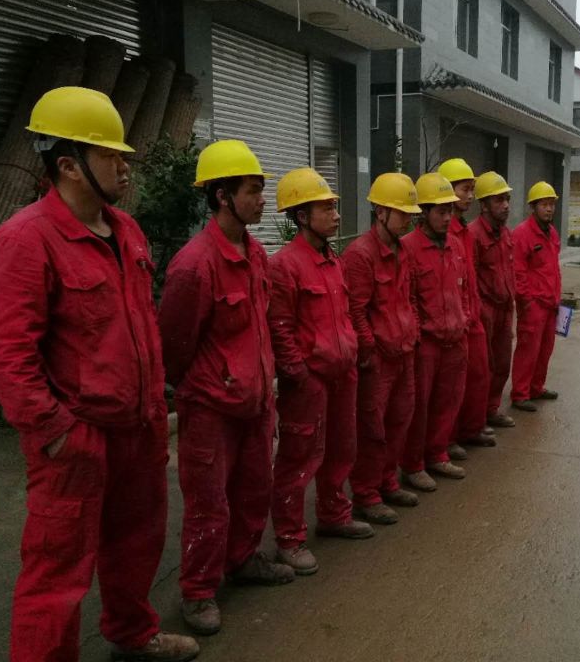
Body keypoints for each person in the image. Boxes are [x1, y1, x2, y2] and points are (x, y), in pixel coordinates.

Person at [0, 86, 198, 661]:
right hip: (78, 438)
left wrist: (155, 408)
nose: (125, 167)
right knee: (56, 573)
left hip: (139, 428)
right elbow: (8, 355)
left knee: (137, 543)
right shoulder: (25, 240)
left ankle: (132, 634)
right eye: (111, 156)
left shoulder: (126, 231)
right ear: (69, 165)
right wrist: (56, 432)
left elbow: (140, 328)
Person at [158, 140, 293, 636]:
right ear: (222, 196)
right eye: (253, 190)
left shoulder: (255, 254)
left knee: (255, 488)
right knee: (208, 503)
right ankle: (197, 592)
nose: (262, 199)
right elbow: (174, 346)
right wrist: (211, 383)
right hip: (211, 408)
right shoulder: (194, 265)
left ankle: (243, 559)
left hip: (254, 401)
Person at [267, 168, 373, 576]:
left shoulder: (333, 261)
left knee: (342, 449)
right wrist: (298, 373)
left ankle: (334, 515)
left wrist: (353, 353)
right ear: (301, 216)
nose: (336, 214)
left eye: (334, 207)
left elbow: (344, 314)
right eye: (326, 208)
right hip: (309, 379)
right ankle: (289, 539)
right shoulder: (285, 266)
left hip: (342, 372)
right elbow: (280, 326)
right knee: (299, 459)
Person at [344, 173, 422, 524]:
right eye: (402, 213)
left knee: (400, 421)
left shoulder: (402, 251)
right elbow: (356, 310)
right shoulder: (360, 255)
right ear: (380, 212)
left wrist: (413, 334)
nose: (408, 220)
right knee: (372, 430)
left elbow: (409, 298)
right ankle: (366, 494)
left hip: (404, 352)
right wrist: (369, 352)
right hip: (379, 360)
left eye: (410, 214)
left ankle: (387, 482)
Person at [400, 172, 470, 491]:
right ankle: (413, 465)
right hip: (426, 343)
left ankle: (437, 454)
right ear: (424, 212)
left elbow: (463, 288)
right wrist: (419, 334)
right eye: (441, 211)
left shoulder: (455, 245)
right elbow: (408, 298)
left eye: (449, 211)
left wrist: (463, 319)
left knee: (447, 401)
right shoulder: (408, 249)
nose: (447, 217)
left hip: (455, 338)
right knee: (420, 408)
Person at [439, 158, 496, 459]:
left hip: (471, 314)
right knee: (451, 387)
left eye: (472, 190)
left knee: (478, 374)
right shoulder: (444, 232)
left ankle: (471, 428)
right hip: (454, 320)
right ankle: (448, 438)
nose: (470, 196)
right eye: (465, 189)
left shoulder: (463, 231)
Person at [471, 171, 517, 430]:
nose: (506, 205)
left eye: (507, 199)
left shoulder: (506, 234)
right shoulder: (473, 235)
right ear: (484, 205)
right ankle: (477, 417)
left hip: (504, 308)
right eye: (499, 200)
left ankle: (491, 409)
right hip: (484, 309)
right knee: (482, 367)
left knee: (502, 364)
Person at [510, 181, 562, 412]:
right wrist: (526, 301)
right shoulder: (522, 234)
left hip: (550, 303)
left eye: (551, 204)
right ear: (533, 207)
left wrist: (557, 298)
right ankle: (520, 394)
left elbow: (554, 269)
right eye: (544, 204)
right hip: (533, 304)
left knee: (545, 349)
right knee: (528, 350)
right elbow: (518, 272)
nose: (549, 209)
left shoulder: (551, 233)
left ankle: (536, 387)